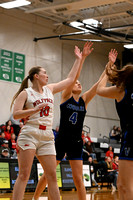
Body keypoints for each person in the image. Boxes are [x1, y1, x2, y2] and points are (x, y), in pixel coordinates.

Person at [33, 42, 106, 200]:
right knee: (47, 175)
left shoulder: (84, 100)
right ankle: (35, 198)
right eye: (77, 83)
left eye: (80, 84)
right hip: (61, 140)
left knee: (79, 180)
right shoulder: (65, 96)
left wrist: (109, 67)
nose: (78, 84)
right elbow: (73, 78)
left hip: (76, 142)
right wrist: (82, 58)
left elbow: (97, 86)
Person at [11, 44, 84, 200]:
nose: (47, 75)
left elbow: (71, 79)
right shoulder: (26, 93)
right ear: (36, 76)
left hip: (47, 135)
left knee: (52, 176)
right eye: (44, 73)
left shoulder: (49, 89)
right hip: (30, 133)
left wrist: (78, 59)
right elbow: (16, 114)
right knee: (24, 175)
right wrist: (34, 110)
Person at [96, 49, 133, 200]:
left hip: (130, 137)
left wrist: (108, 67)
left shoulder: (120, 91)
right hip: (127, 137)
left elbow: (99, 89)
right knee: (123, 185)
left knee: (126, 185)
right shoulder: (122, 90)